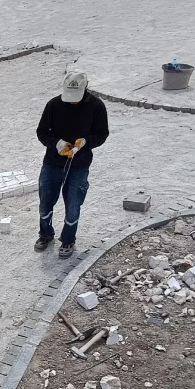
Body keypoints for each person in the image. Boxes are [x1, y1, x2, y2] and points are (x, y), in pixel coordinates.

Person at [34, 71, 110, 258]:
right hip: (52, 162)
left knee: (73, 205)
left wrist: (86, 142)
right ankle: (45, 234)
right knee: (45, 203)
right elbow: (42, 131)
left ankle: (68, 240)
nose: (72, 102)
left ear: (85, 88)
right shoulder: (53, 105)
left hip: (79, 164)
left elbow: (102, 134)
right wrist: (56, 143)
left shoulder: (96, 107)